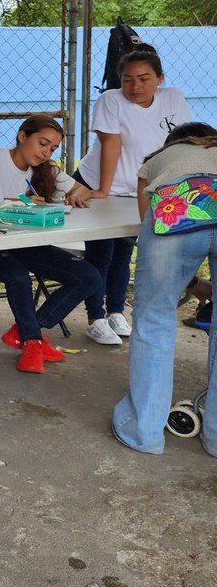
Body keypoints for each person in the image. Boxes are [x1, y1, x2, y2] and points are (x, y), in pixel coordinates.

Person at [0, 116, 101, 373]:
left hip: (24, 242)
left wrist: (76, 196)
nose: (46, 153)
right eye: (42, 144)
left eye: (53, 149)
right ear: (22, 136)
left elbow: (82, 189)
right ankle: (33, 341)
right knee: (18, 277)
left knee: (89, 276)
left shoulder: (46, 170)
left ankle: (26, 332)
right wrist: (21, 202)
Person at [112, 121, 217, 457]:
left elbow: (152, 226)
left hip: (178, 205)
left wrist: (187, 281)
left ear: (172, 142)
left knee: (154, 318)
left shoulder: (157, 160)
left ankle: (144, 432)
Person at [75, 48, 192, 345]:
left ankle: (115, 311)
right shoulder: (111, 100)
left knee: (124, 252)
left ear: (160, 78)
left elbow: (179, 143)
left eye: (143, 78)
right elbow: (111, 145)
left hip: (139, 190)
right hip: (100, 184)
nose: (135, 86)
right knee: (101, 253)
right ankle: (95, 318)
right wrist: (103, 190)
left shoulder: (173, 98)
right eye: (127, 79)